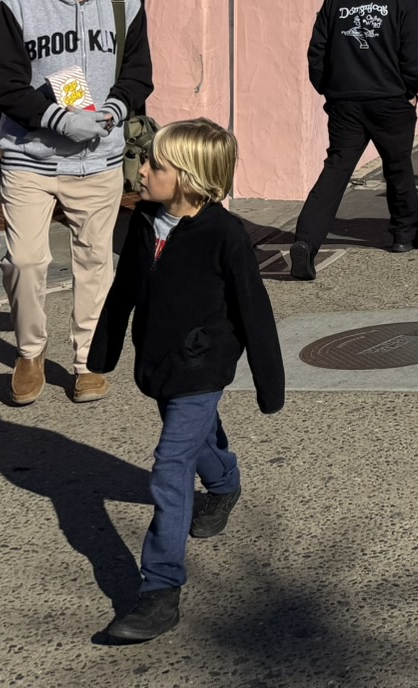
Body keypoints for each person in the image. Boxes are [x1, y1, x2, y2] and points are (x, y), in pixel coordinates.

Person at [89, 119, 284, 643]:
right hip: (159, 362)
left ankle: (159, 590)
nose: (144, 168)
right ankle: (224, 481)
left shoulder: (226, 235)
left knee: (171, 464)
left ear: (190, 177)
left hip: (203, 364)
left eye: (155, 163)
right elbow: (124, 288)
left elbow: (253, 310)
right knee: (195, 441)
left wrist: (270, 382)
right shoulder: (145, 221)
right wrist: (102, 353)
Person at [0, 0, 153, 408]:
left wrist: (113, 110)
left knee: (95, 262)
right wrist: (59, 118)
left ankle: (86, 360)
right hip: (30, 157)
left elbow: (140, 72)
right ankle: (30, 351)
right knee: (26, 261)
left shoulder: (126, 0)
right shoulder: (17, 3)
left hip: (99, 156)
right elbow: (5, 85)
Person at [293, 0, 418, 280]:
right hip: (389, 101)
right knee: (397, 165)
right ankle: (403, 234)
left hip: (344, 101)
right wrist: (408, 90)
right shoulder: (406, 2)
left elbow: (317, 50)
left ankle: (306, 242)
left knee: (336, 169)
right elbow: (414, 58)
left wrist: (328, 87)